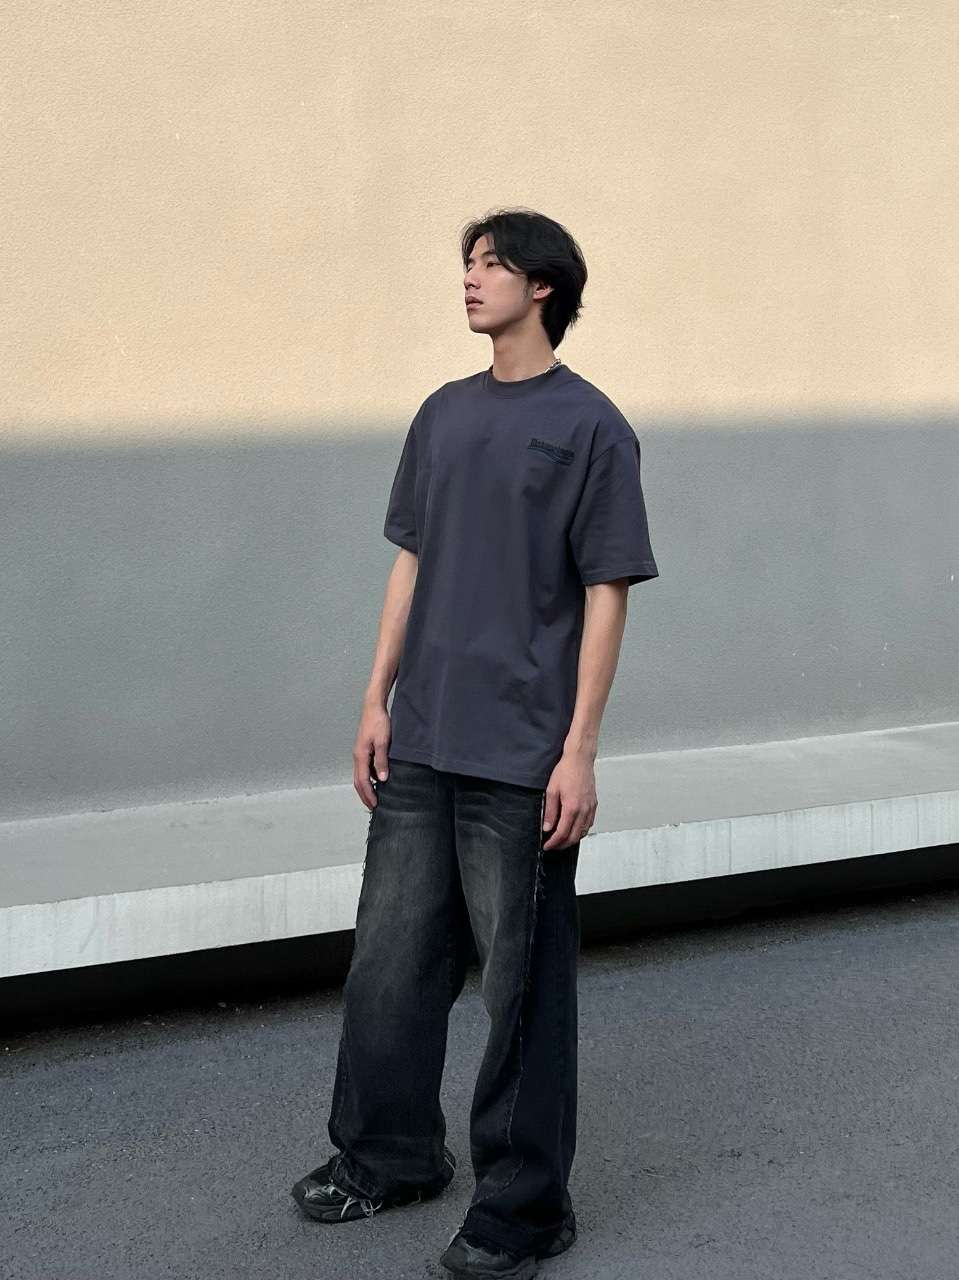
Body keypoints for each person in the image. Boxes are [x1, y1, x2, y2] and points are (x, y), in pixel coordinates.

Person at [291, 207, 660, 1279]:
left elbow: (606, 593)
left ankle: (524, 1209)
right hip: (422, 739)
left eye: (491, 264)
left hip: (522, 752)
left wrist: (579, 749)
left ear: (542, 286)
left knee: (520, 994)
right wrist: (374, 700)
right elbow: (409, 561)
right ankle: (390, 1154)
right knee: (390, 966)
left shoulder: (591, 425)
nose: (469, 278)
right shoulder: (442, 414)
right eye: (466, 262)